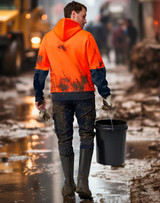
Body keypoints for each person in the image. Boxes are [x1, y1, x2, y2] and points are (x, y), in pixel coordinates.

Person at [33, 1, 112, 201]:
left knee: (64, 139)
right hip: (84, 94)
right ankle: (83, 183)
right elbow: (97, 69)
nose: (86, 21)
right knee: (87, 135)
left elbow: (40, 72)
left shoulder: (49, 38)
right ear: (74, 14)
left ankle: (68, 184)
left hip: (59, 96)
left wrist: (39, 97)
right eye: (83, 16)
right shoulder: (86, 38)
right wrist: (105, 93)